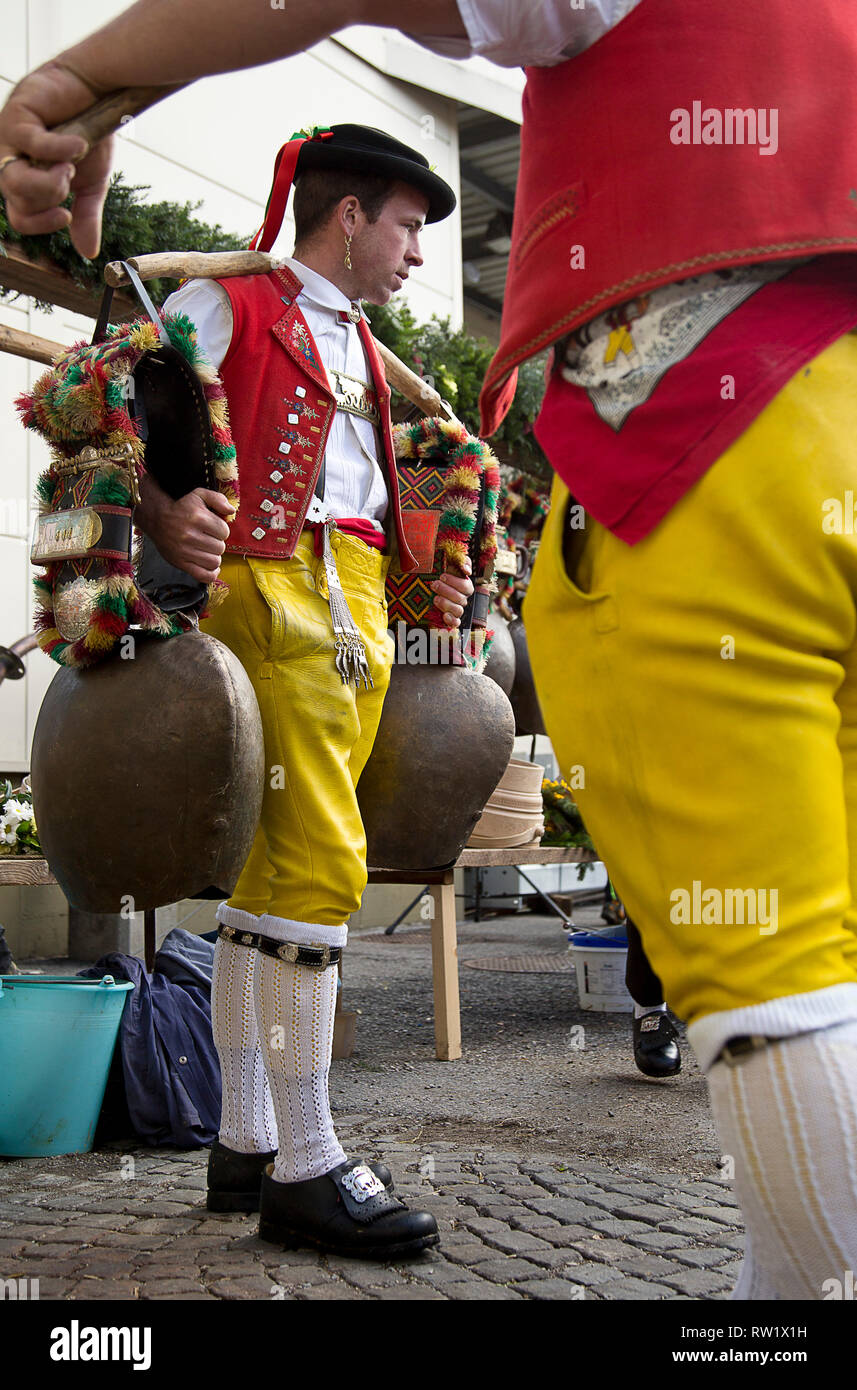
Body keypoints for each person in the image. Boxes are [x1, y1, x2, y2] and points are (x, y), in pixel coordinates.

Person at [3, 0, 857, 1300]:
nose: (418, 253)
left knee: (285, 875)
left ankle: (247, 1137)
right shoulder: (237, 304)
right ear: (346, 216)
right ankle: (305, 1151)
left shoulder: (365, 350)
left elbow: (425, 458)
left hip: (349, 608)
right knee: (319, 864)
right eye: (407, 225)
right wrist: (164, 508)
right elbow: (118, 373)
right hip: (273, 593)